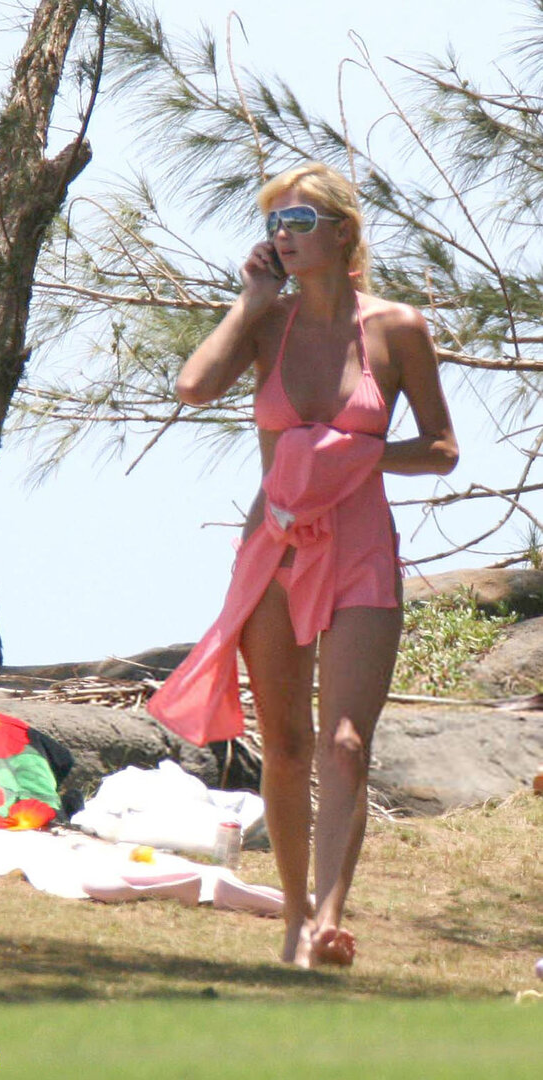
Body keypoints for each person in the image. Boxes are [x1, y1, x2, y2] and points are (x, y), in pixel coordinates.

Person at [148, 161, 458, 968]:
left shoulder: (397, 328)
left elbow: (440, 449)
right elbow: (192, 387)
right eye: (274, 223)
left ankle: (328, 917)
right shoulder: (267, 322)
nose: (283, 235)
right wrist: (248, 301)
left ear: (342, 233)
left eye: (300, 221)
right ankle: (291, 918)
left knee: (346, 742)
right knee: (284, 745)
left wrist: (351, 457)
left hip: (359, 548)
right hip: (275, 549)